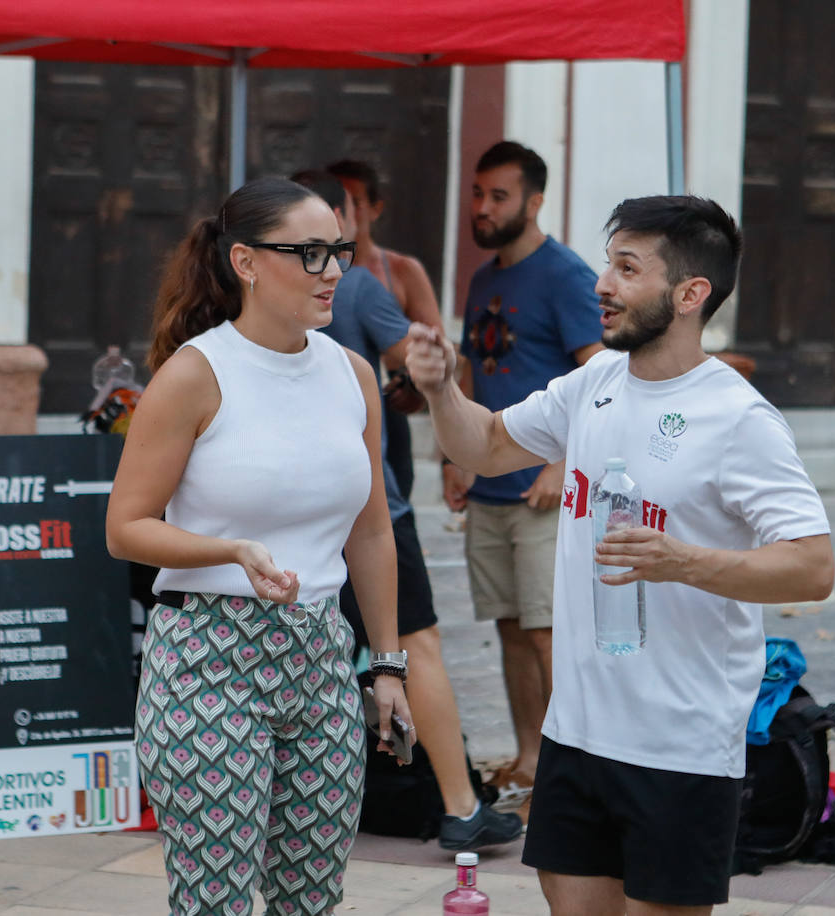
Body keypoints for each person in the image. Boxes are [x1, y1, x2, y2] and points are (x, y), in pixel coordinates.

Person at [406, 195, 834, 915]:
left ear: (690, 294)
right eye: (608, 263)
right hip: (574, 736)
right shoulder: (593, 385)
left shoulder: (739, 418)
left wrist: (684, 561)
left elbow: (813, 565)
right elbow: (480, 448)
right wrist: (440, 387)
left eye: (627, 268)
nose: (602, 283)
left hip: (682, 748)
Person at [106, 177, 415, 916]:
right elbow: (125, 528)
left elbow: (372, 530)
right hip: (208, 661)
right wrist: (230, 551)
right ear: (245, 261)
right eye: (309, 253)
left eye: (337, 250)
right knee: (216, 903)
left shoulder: (352, 375)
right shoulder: (194, 374)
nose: (334, 269)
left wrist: (388, 664)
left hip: (318, 660)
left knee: (309, 900)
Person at [291, 170, 522, 851]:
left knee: (315, 654)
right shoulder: (356, 285)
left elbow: (411, 371)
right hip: (369, 511)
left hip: (293, 516)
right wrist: (421, 376)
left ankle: (301, 809)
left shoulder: (247, 300)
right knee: (414, 646)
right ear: (336, 216)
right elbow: (416, 364)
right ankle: (458, 806)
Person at [452, 141, 603, 805]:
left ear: (534, 201)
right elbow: (468, 369)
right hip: (488, 486)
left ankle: (574, 777)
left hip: (545, 491)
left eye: (499, 196)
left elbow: (601, 375)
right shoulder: (484, 280)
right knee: (510, 628)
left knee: (549, 632)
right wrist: (455, 458)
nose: (483, 208)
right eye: (478, 194)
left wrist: (562, 461)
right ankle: (530, 758)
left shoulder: (566, 275)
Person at [326, 158, 444, 503]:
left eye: (353, 201)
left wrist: (409, 383)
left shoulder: (400, 270)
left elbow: (435, 347)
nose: (342, 210)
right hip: (336, 411)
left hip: (387, 410)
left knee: (391, 506)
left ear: (374, 209)